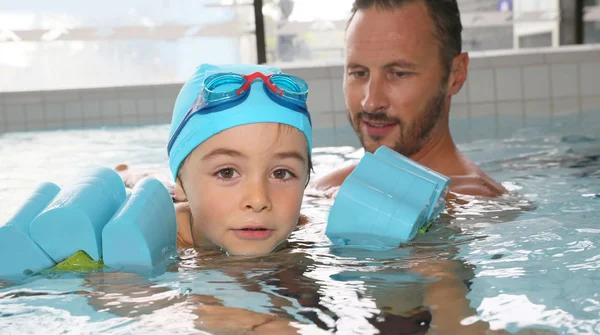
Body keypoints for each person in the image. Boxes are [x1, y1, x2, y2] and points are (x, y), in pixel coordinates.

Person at [313, 0, 507, 198]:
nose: (370, 102)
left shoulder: (482, 209)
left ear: (455, 75)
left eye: (398, 73)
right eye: (359, 73)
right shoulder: (322, 193)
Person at [162, 63, 313, 256]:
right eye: (227, 173)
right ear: (181, 184)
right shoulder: (161, 242)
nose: (258, 200)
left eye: (281, 173)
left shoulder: (307, 230)